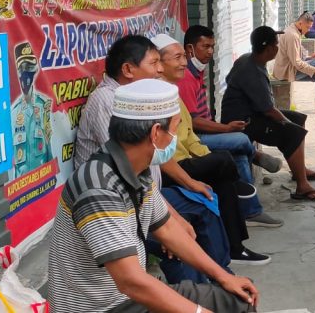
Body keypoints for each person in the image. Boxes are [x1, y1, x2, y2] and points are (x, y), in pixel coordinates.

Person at [48, 79, 258, 313]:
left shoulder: (138, 171)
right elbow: (130, 281)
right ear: (156, 132)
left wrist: (222, 276)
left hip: (129, 300)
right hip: (105, 308)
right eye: (175, 128)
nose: (176, 137)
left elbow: (167, 229)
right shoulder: (98, 187)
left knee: (239, 298)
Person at [75, 35, 270, 266]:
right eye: (154, 63)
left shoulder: (139, 95)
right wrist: (168, 221)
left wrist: (190, 184)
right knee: (177, 242)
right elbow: (130, 167)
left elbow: (154, 151)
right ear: (128, 69)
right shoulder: (108, 101)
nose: (159, 70)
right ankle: (207, 281)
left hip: (146, 191)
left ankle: (222, 271)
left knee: (204, 204)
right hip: (121, 203)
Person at [156, 34, 284, 230]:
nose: (184, 62)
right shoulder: (170, 89)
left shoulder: (180, 83)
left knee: (236, 156)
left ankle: (249, 210)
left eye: (212, 46)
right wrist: (225, 129)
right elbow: (185, 135)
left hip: (191, 148)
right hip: (179, 159)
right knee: (237, 143)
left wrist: (206, 154)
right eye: (178, 58)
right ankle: (253, 165)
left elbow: (188, 134)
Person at [221, 26, 315, 202]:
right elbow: (270, 111)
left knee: (298, 119)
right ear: (270, 49)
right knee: (293, 131)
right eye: (276, 45)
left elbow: (231, 81)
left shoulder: (248, 59)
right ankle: (302, 186)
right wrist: (288, 124)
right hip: (242, 123)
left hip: (252, 113)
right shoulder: (252, 72)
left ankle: (299, 170)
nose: (278, 48)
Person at [179, 25, 284, 175]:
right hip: (195, 137)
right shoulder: (186, 77)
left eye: (212, 46)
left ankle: (246, 189)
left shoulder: (198, 71)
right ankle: (257, 156)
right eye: (206, 46)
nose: (210, 51)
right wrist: (226, 128)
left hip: (206, 132)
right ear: (190, 49)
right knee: (241, 139)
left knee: (239, 154)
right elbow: (193, 121)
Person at [9, 41, 53, 179]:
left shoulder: (44, 105)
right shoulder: (13, 113)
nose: (25, 74)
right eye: (22, 69)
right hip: (22, 186)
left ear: (34, 71)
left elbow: (49, 148)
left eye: (29, 68)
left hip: (42, 182)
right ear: (17, 72)